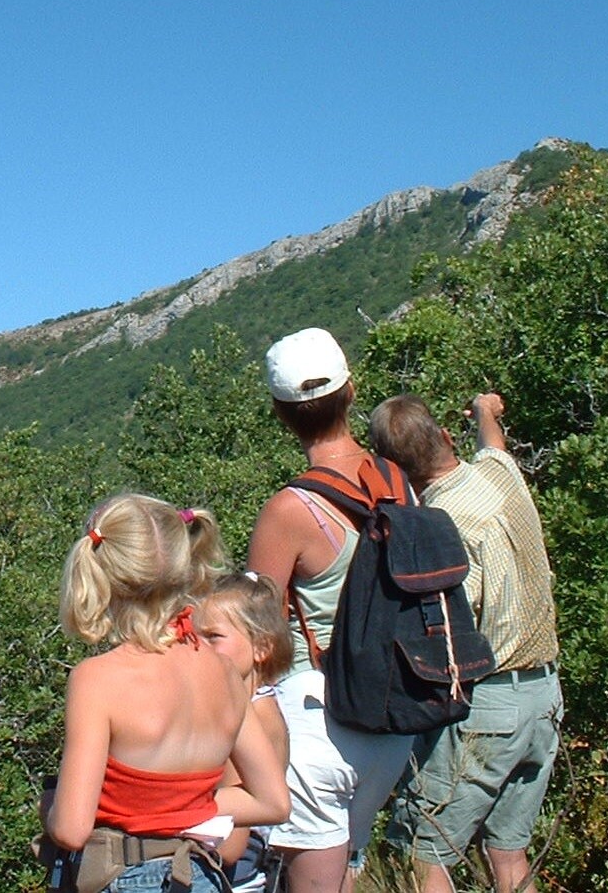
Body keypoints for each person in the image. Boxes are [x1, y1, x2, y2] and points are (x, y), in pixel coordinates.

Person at [43, 495, 290, 893]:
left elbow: (72, 829)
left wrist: (50, 808)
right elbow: (274, 802)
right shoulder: (224, 672)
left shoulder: (97, 679)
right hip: (199, 876)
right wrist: (187, 807)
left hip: (125, 875)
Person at [369, 393, 562, 893]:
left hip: (490, 705)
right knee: (509, 851)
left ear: (393, 472)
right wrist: (484, 411)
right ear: (447, 439)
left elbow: (453, 631)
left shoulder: (439, 527)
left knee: (425, 852)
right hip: (545, 697)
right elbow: (493, 445)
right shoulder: (501, 476)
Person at [245, 327, 416, 892]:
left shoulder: (289, 511)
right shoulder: (398, 483)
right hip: (394, 719)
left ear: (280, 413)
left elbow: (257, 635)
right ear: (352, 391)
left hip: (318, 720)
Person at [194, 570, 293, 892]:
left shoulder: (256, 722)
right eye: (193, 636)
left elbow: (230, 845)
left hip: (230, 877)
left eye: (213, 637)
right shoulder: (244, 707)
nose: (198, 647)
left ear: (261, 647)